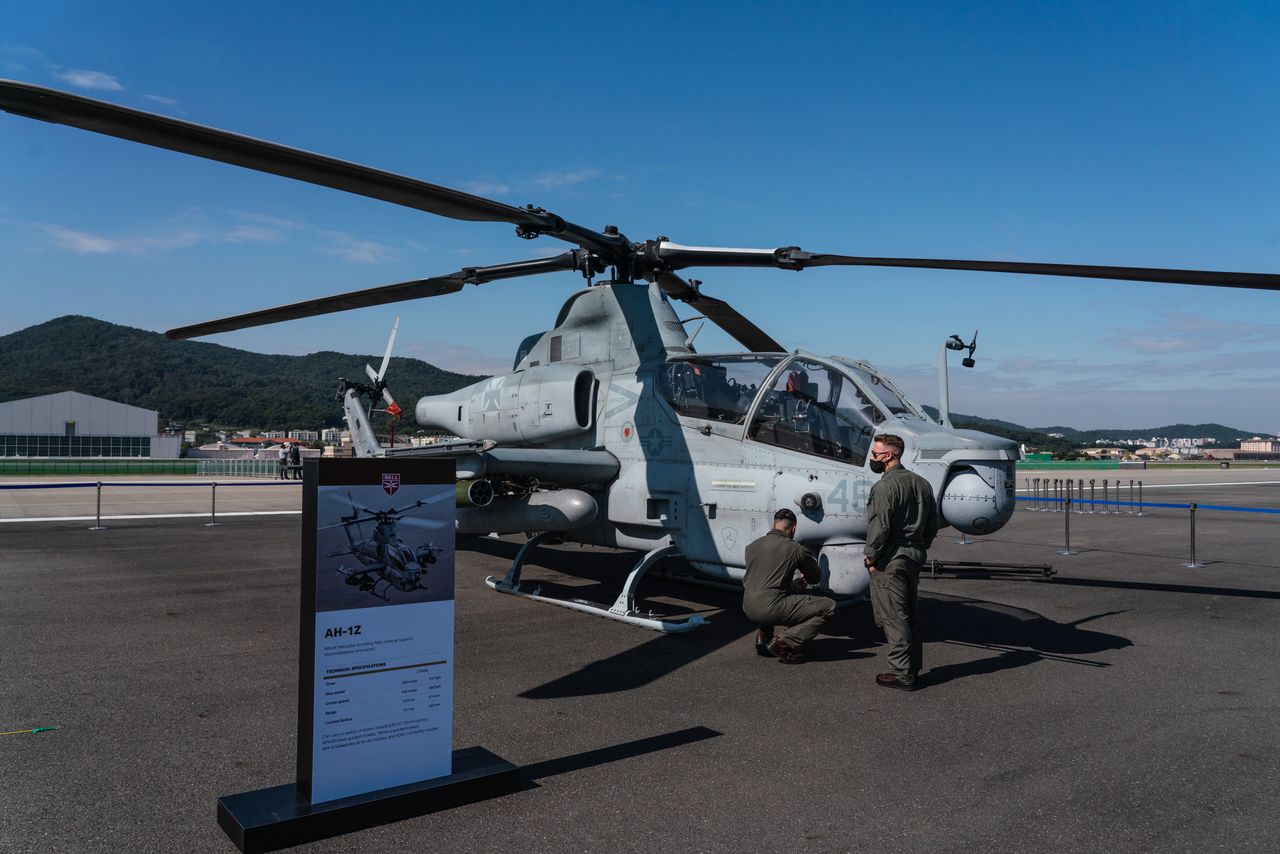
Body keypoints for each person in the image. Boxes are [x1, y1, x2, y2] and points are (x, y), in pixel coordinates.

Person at [864, 433, 939, 691]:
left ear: (889, 456)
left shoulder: (884, 487)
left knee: (895, 618)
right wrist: (920, 545)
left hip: (891, 559)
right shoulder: (922, 484)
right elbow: (932, 524)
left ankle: (902, 673)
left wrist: (871, 556)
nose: (872, 458)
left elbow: (880, 527)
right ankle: (912, 667)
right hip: (914, 557)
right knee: (910, 615)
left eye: (875, 453)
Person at [742, 508, 837, 665]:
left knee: (768, 593)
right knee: (830, 608)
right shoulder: (794, 548)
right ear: (794, 528)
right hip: (769, 609)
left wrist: (791, 585)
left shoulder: (752, 546)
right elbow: (815, 577)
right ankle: (783, 643)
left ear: (774, 524)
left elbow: (763, 580)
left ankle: (763, 637)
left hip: (748, 607)